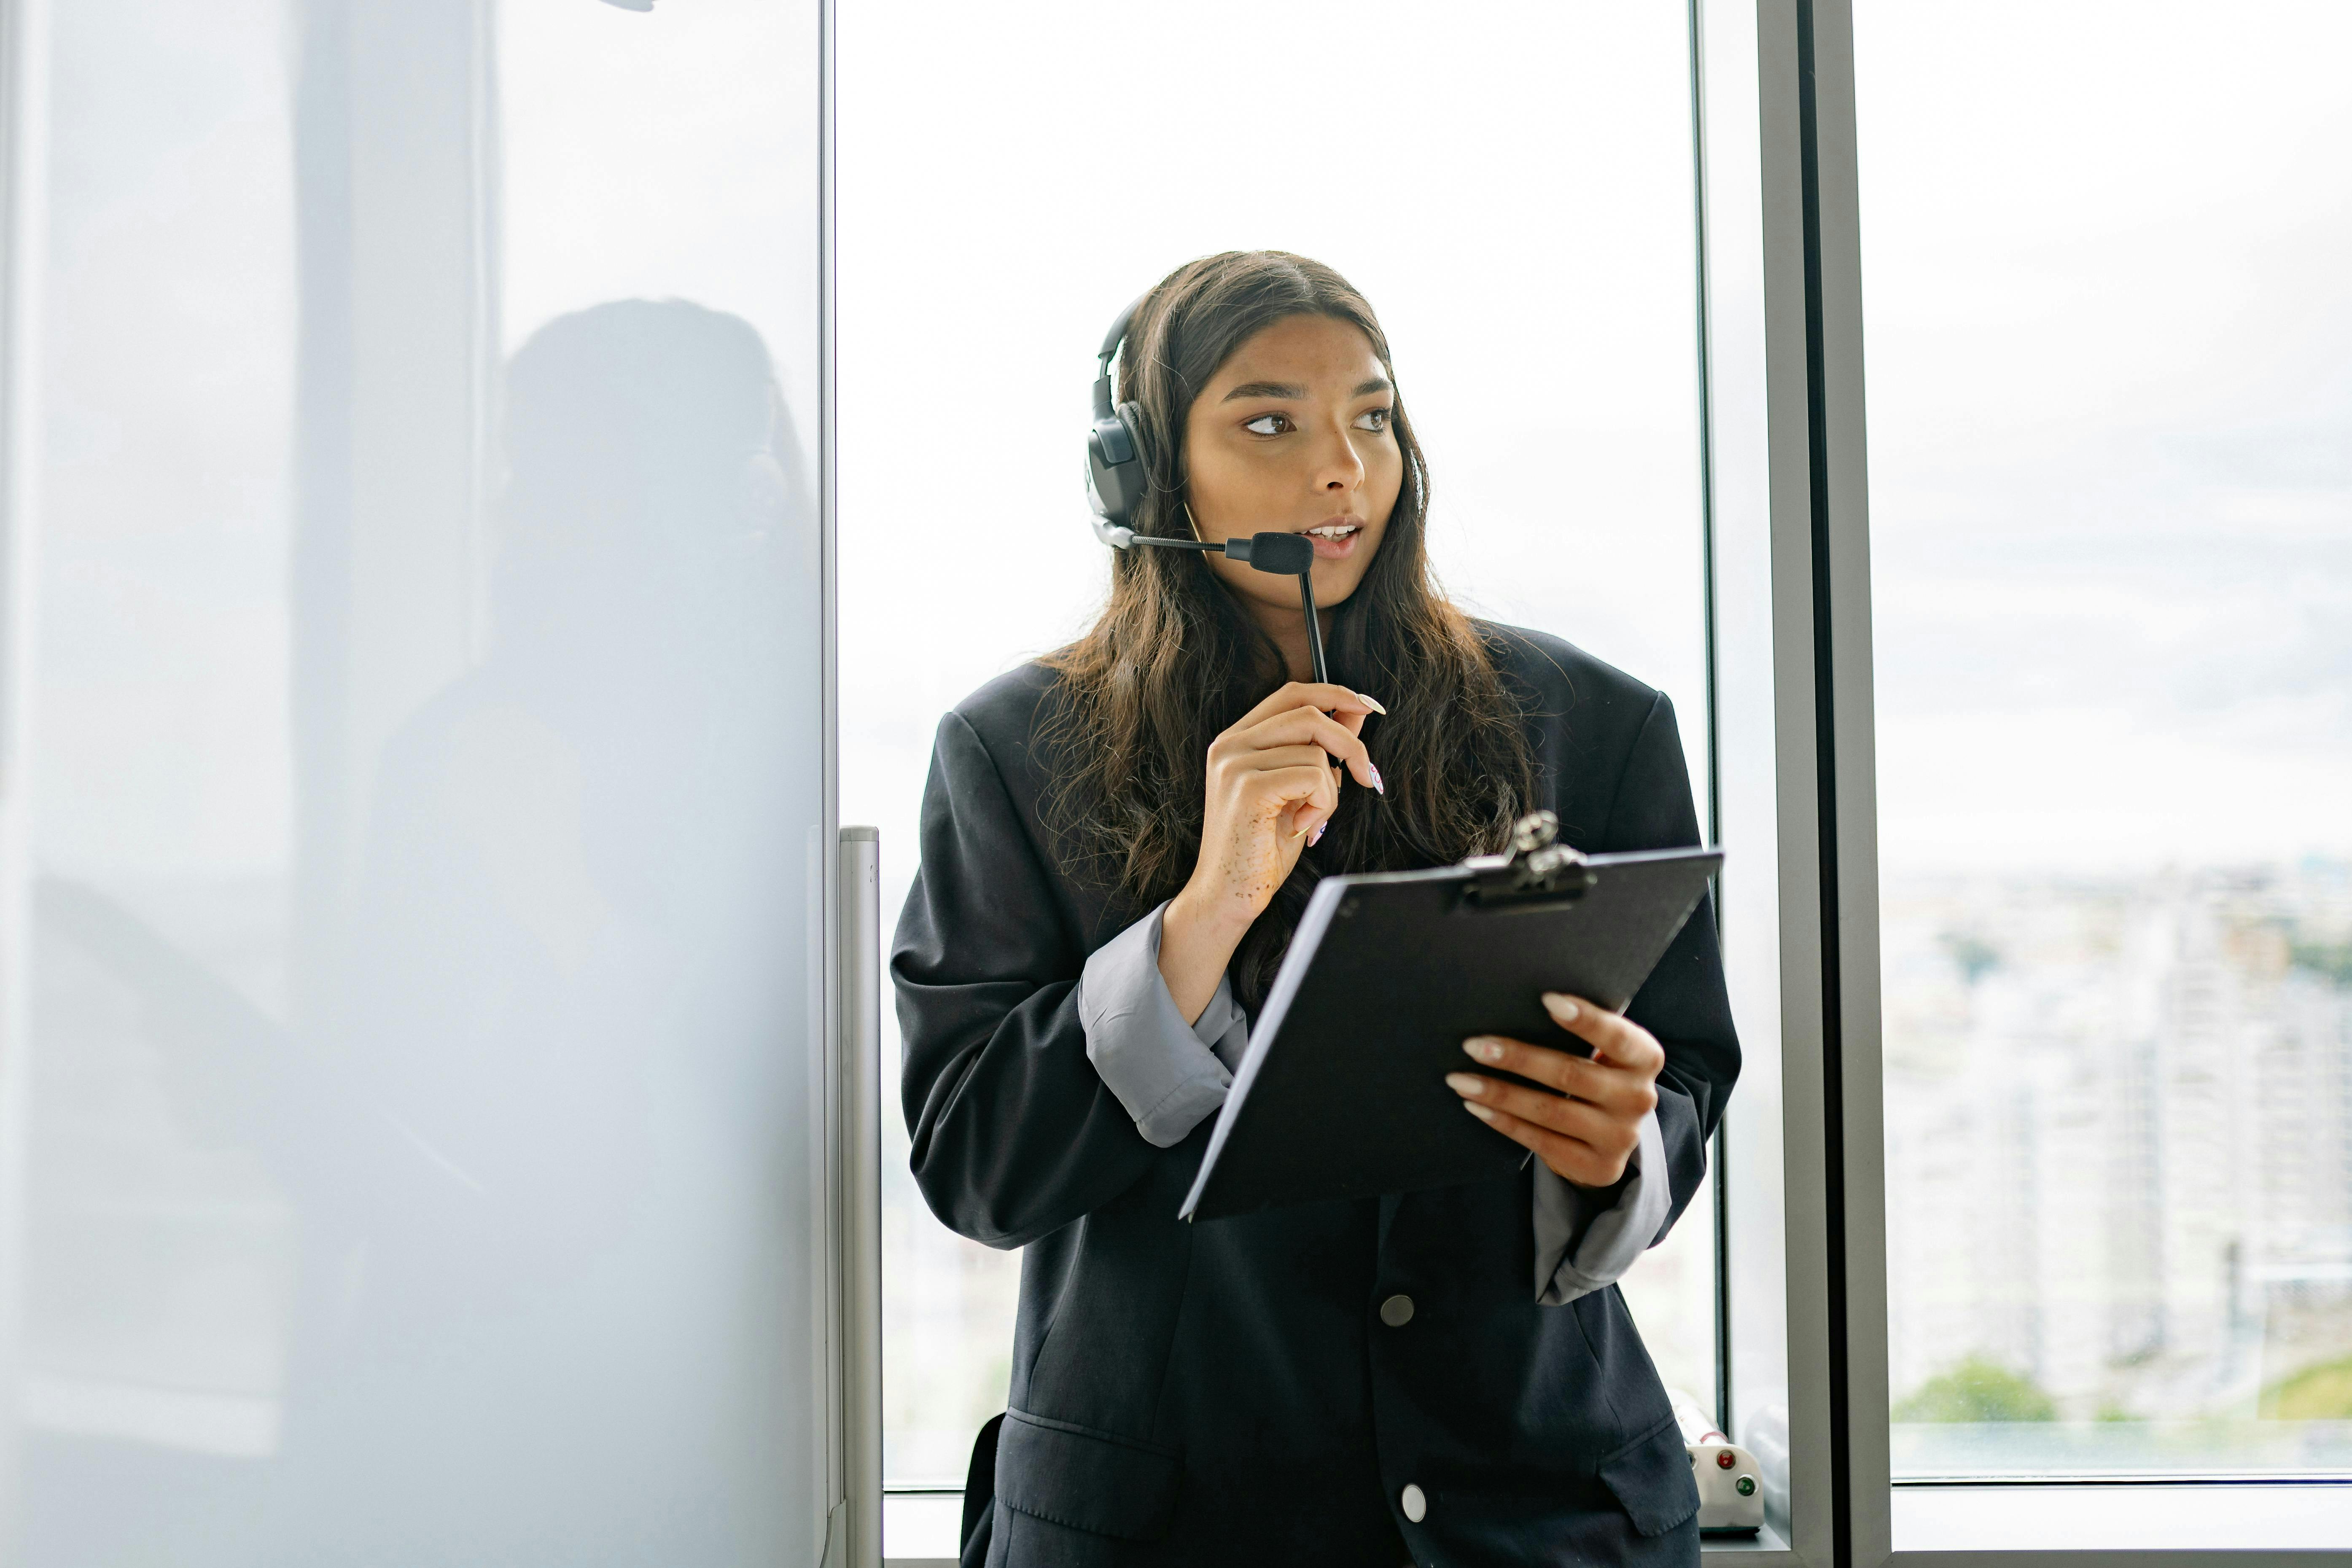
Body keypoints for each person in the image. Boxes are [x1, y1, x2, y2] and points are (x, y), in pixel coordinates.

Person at [893, 251, 1738, 1567]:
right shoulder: (1013, 748)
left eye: (1372, 413)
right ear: (1145, 468)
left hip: (1543, 1511)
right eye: (1269, 421)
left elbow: (1684, 1070)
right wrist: (1200, 919)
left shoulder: (1597, 724)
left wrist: (1621, 1144)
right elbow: (977, 1166)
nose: (1340, 465)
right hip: (1169, 1525)